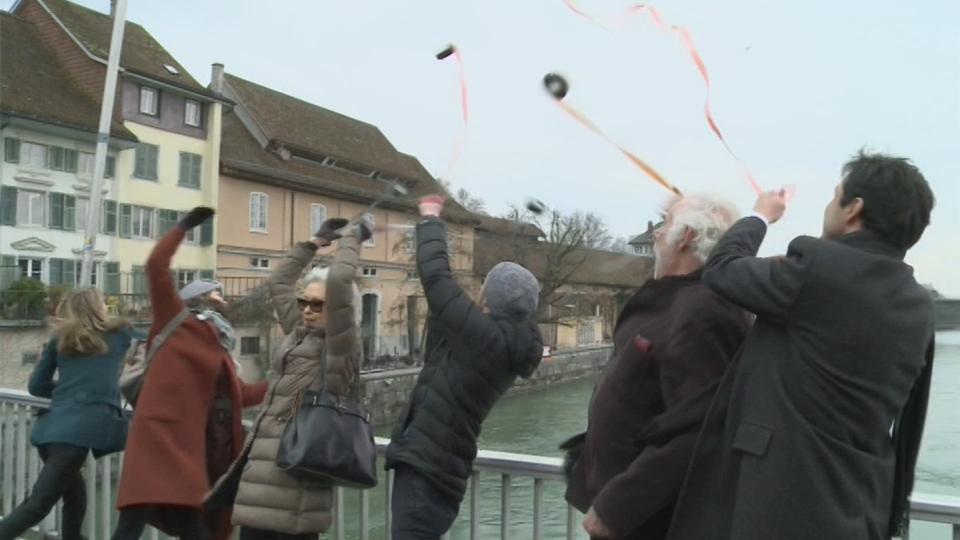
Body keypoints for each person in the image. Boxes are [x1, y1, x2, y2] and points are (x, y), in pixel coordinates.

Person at [666, 151, 937, 540]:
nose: (829, 206)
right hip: (861, 505)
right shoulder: (919, 305)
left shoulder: (817, 267)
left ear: (853, 209)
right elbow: (911, 420)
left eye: (835, 196)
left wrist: (760, 215)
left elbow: (722, 269)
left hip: (778, 503)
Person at [563, 195, 751, 539]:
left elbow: (699, 429)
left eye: (665, 224)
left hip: (646, 525)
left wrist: (617, 508)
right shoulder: (680, 300)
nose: (656, 235)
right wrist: (588, 453)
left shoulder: (705, 310)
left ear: (687, 237)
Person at [385, 195, 545, 540]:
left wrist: (430, 221)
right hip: (442, 470)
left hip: (426, 472)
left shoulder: (483, 338)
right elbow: (446, 312)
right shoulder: (502, 343)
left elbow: (436, 278)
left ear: (491, 298)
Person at [206, 217, 368, 540]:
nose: (307, 309)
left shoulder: (340, 349)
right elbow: (279, 283)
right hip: (260, 486)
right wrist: (314, 242)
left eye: (318, 304)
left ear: (339, 308)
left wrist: (353, 239)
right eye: (304, 301)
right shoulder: (298, 333)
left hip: (296, 492)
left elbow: (339, 279)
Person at [112, 207, 268, 540]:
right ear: (198, 300)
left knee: (167, 520)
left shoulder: (219, 347)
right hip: (157, 437)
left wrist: (287, 384)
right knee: (153, 517)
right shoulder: (174, 318)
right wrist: (183, 227)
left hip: (189, 448)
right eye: (215, 291)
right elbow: (156, 266)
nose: (222, 297)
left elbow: (241, 394)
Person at [0, 288, 135, 540]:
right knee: (37, 506)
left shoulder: (59, 339)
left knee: (76, 497)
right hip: (74, 438)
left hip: (49, 431)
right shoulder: (119, 334)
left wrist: (67, 392)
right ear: (100, 306)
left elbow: (37, 386)